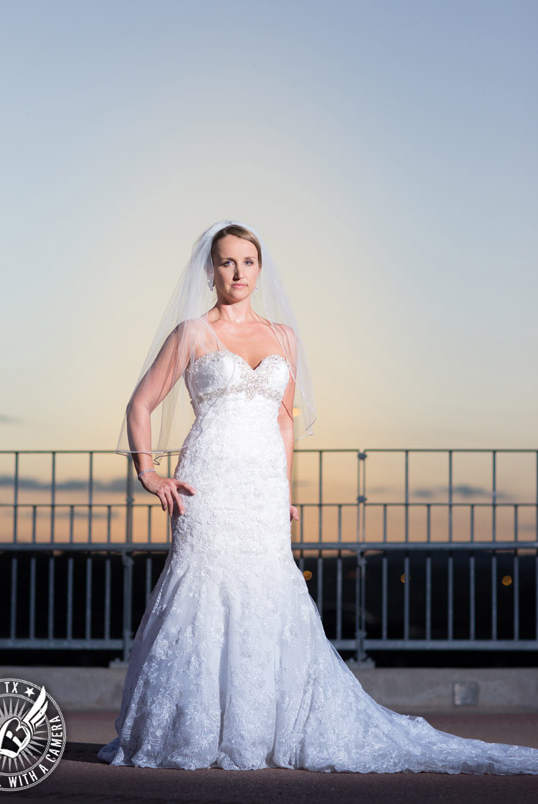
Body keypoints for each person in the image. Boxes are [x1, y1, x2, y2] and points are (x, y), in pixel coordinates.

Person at [97, 219, 538, 774]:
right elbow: (140, 405)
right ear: (210, 270)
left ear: (260, 269)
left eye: (249, 262)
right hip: (208, 482)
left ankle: (260, 730)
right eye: (227, 262)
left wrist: (283, 490)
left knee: (267, 597)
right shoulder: (191, 333)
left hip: (261, 490)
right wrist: (149, 473)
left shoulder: (284, 338)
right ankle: (192, 731)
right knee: (202, 594)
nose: (238, 272)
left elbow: (285, 423)